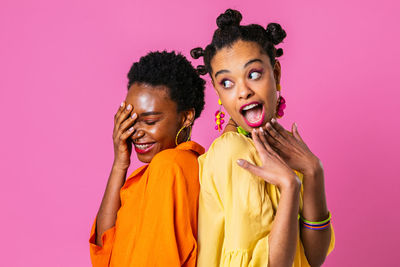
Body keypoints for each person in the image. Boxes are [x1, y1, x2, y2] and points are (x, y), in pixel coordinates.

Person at [191, 9, 335, 267]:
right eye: (227, 83)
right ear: (218, 92)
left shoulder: (285, 151)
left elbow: (313, 257)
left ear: (276, 73)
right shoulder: (233, 153)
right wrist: (290, 187)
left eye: (253, 74)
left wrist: (313, 172)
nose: (243, 91)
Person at [89, 51, 206, 267]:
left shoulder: (170, 166)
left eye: (150, 121)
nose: (136, 132)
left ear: (186, 116)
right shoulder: (158, 171)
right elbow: (106, 248)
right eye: (131, 121)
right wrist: (120, 164)